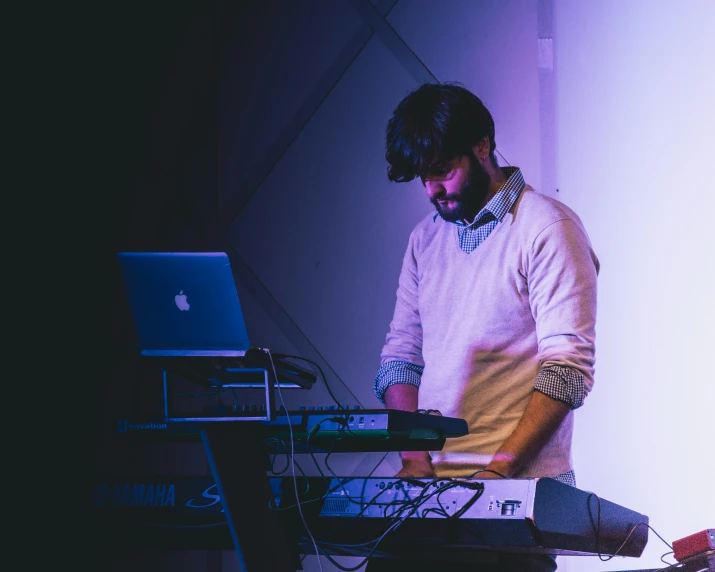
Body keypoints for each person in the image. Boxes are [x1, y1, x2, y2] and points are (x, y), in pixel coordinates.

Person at [367, 83, 599, 571]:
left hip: (513, 497)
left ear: (482, 146)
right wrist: (414, 458)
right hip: (428, 493)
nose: (432, 189)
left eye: (443, 171)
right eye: (422, 178)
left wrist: (499, 469)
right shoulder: (423, 240)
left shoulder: (546, 227)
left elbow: (567, 370)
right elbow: (400, 359)